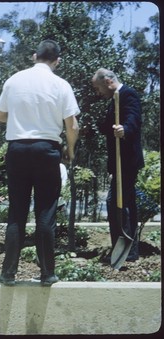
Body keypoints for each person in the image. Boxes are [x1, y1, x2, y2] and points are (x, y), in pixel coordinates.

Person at [0, 40, 80, 286]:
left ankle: (8, 273)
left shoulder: (14, 80)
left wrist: (20, 114)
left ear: (34, 56)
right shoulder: (61, 85)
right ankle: (47, 274)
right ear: (57, 61)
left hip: (17, 149)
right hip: (47, 150)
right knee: (45, 213)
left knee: (17, 212)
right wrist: (69, 150)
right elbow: (72, 126)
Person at [92, 68, 144, 262]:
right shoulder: (113, 99)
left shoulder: (128, 94)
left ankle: (127, 252)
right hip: (119, 162)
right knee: (122, 203)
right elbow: (107, 127)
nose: (98, 93)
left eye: (98, 88)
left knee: (120, 204)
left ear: (107, 81)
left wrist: (125, 129)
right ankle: (126, 251)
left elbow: (134, 118)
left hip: (127, 161)